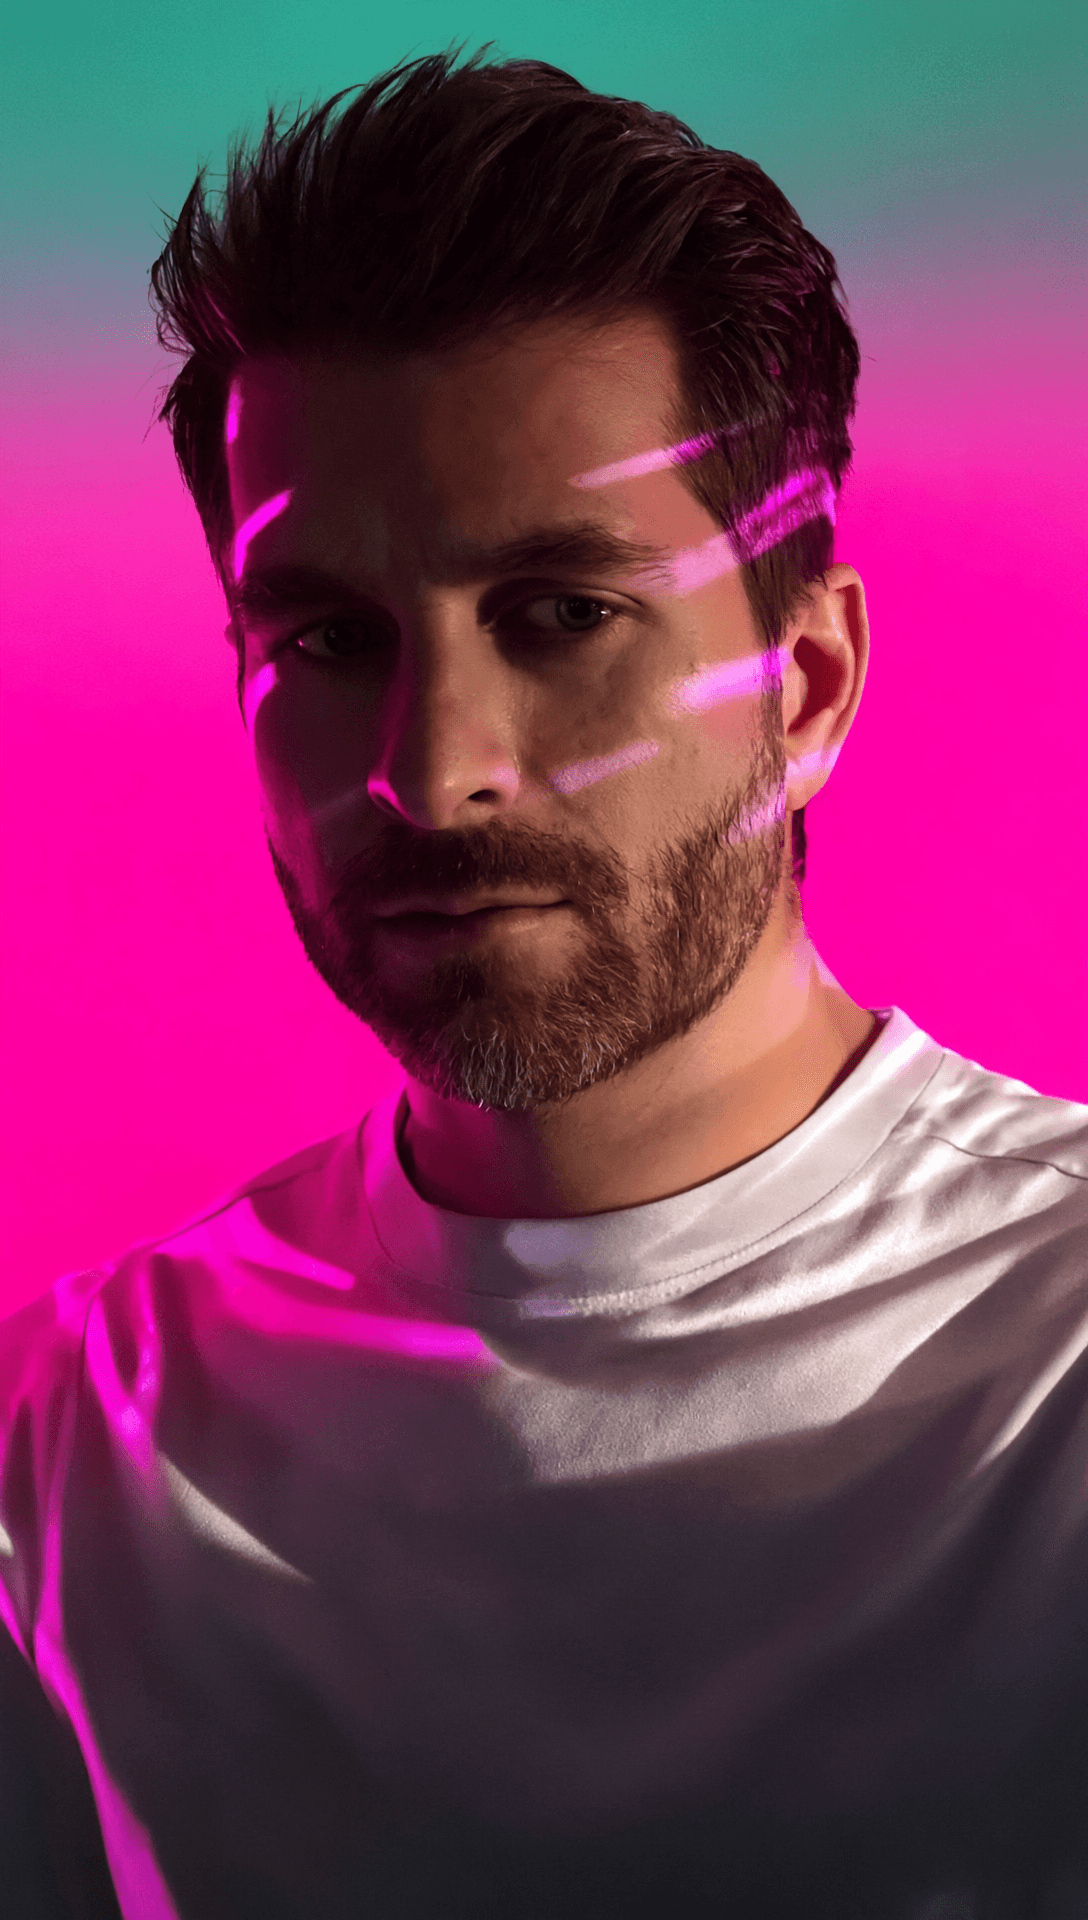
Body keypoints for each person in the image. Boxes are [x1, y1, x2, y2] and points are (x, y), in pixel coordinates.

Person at [1, 43, 1085, 1920]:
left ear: (809, 684)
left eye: (563, 614)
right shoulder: (71, 1450)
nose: (432, 770)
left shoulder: (1055, 1367)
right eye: (329, 637)